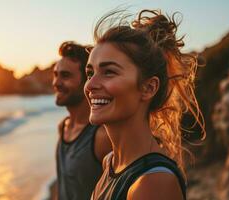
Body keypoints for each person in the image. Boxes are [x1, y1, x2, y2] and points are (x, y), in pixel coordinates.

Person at [84, 10, 205, 200]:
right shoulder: (110, 162)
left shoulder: (153, 182)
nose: (90, 85)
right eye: (90, 73)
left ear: (148, 88)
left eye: (109, 72)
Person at [52, 41, 112, 200]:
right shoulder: (63, 126)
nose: (56, 83)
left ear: (88, 81)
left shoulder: (102, 136)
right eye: (55, 74)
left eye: (65, 75)